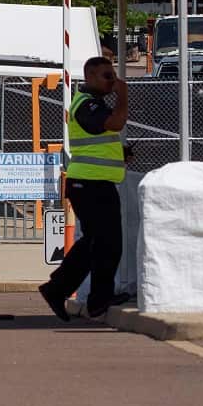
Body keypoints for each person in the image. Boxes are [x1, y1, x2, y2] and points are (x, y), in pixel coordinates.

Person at [39, 56, 132, 321]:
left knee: (97, 243)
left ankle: (63, 290)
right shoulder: (86, 104)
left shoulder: (96, 104)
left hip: (96, 182)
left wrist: (120, 154)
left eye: (113, 76)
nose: (112, 81)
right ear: (90, 76)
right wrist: (123, 96)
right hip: (89, 184)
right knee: (106, 243)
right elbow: (115, 123)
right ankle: (90, 299)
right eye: (107, 76)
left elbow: (99, 139)